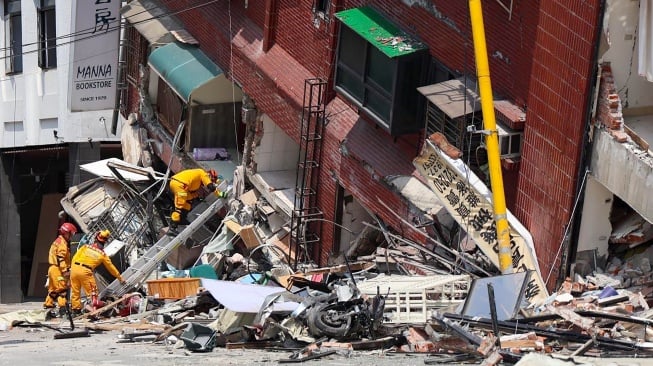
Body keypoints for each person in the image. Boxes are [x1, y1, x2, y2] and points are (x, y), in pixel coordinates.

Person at [70, 230, 126, 316]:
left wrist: (72, 269)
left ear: (96, 238)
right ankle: (95, 310)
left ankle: (75, 311)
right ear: (105, 241)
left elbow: (74, 258)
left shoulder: (85, 247)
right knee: (93, 294)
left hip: (74, 269)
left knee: (75, 291)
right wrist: (120, 278)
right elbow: (111, 268)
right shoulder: (102, 254)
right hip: (85, 271)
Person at [43, 222, 77, 317]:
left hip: (53, 269)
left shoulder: (59, 241)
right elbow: (60, 258)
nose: (71, 236)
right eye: (71, 234)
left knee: (54, 290)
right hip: (57, 269)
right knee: (62, 290)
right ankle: (63, 309)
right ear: (66, 233)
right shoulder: (62, 243)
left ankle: (48, 305)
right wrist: (65, 271)